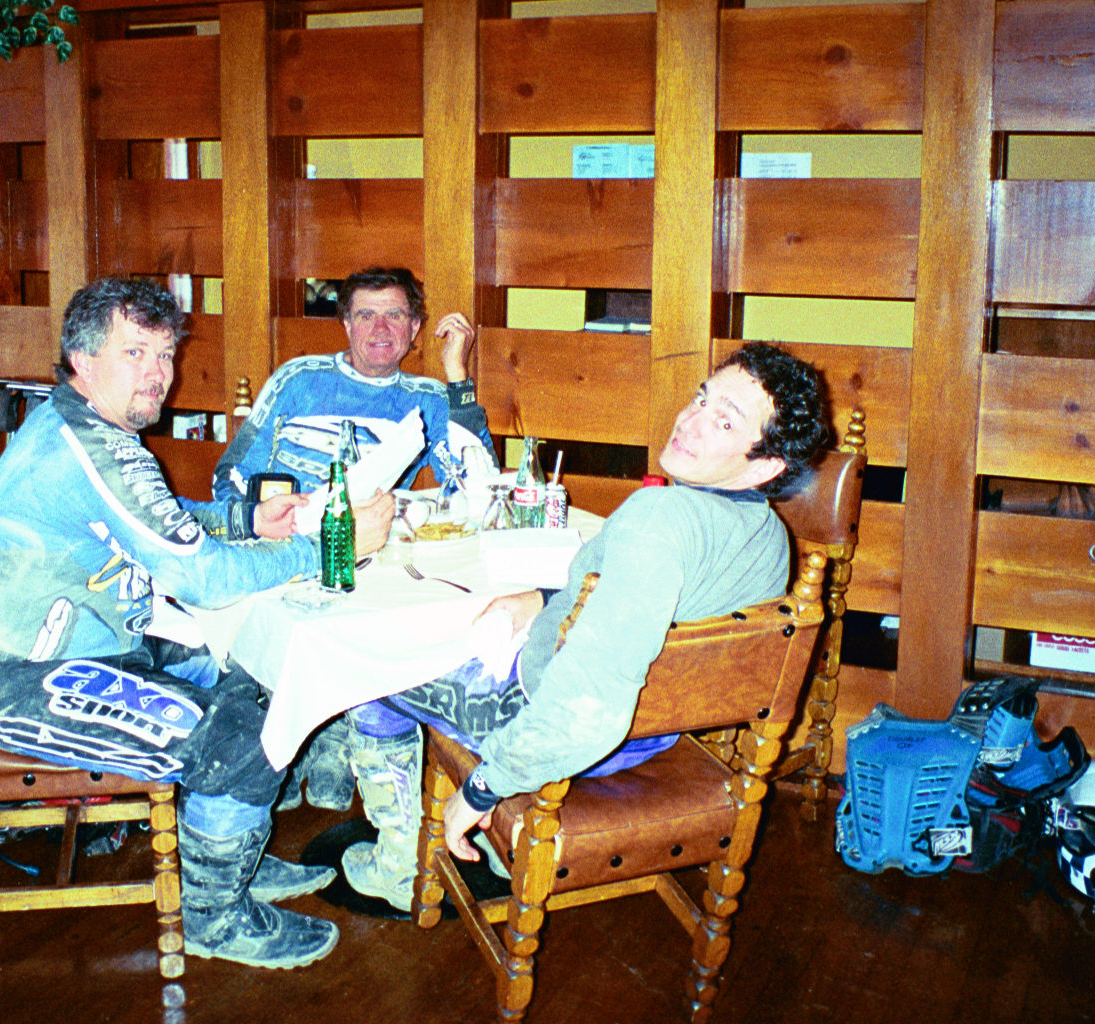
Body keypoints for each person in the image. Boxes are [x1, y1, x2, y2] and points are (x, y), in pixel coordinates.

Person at [0, 277, 391, 969]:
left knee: (255, 675)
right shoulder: (90, 444)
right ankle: (214, 917)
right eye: (135, 353)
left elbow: (159, 518)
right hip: (15, 680)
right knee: (240, 737)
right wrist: (330, 546)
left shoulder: (84, 425)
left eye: (164, 354)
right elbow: (204, 579)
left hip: (95, 645)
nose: (158, 373)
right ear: (83, 359)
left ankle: (226, 861)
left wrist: (247, 519)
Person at [338, 342, 833, 909]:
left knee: (365, 658)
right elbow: (644, 605)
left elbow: (586, 712)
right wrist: (543, 598)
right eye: (702, 398)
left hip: (561, 724)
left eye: (724, 422)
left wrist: (483, 787)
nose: (690, 421)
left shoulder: (658, 518)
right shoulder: (768, 536)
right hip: (656, 729)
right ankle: (494, 849)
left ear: (766, 465)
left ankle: (399, 863)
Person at [210, 267, 496, 813]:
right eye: (365, 315)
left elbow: (476, 486)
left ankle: (341, 736)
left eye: (395, 315)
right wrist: (260, 521)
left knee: (381, 624)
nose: (380, 329)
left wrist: (457, 375)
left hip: (364, 553)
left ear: (415, 329)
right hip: (284, 542)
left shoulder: (427, 397)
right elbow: (232, 477)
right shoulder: (298, 379)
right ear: (345, 324)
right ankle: (298, 742)